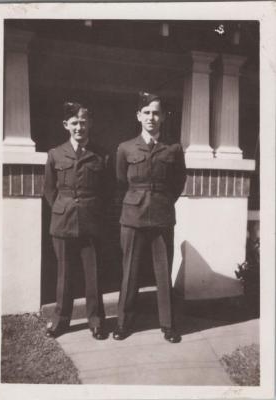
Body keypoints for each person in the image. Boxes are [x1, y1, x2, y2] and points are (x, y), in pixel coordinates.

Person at [113, 92, 187, 343]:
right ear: (138, 116)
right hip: (132, 215)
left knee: (163, 273)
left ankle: (167, 324)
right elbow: (121, 181)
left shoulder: (173, 148)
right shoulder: (125, 148)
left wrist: (162, 201)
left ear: (163, 116)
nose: (151, 117)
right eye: (146, 112)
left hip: (162, 215)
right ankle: (123, 322)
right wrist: (138, 199)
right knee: (129, 271)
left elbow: (178, 182)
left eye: (156, 113)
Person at [44, 101, 109, 340]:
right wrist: (64, 208)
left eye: (83, 122)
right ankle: (61, 320)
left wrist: (92, 210)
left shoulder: (101, 154)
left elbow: (108, 190)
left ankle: (96, 320)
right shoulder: (55, 154)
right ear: (66, 125)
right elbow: (50, 190)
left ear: (89, 123)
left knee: (94, 274)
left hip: (92, 221)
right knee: (64, 274)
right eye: (74, 123)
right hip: (63, 222)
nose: (79, 127)